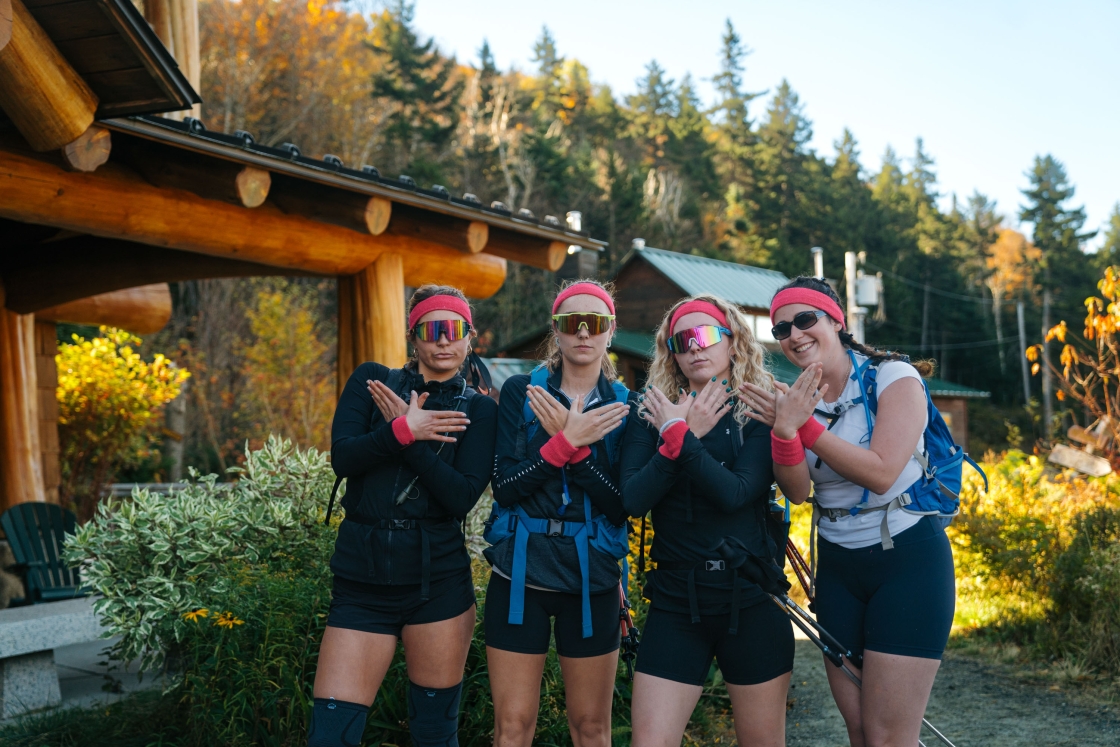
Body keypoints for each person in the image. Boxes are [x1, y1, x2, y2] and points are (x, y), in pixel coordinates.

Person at [739, 276, 950, 747]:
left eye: (805, 319)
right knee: (858, 730)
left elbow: (881, 472)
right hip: (837, 570)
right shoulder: (796, 398)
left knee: (888, 736)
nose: (793, 334)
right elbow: (796, 491)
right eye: (780, 329)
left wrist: (802, 427)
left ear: (836, 320)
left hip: (908, 563)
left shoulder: (894, 377)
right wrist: (784, 430)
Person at [308, 285, 498, 747]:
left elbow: (459, 499)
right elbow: (344, 459)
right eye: (430, 330)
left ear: (469, 337)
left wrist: (413, 442)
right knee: (330, 736)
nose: (442, 341)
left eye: (454, 330)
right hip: (361, 582)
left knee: (434, 735)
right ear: (413, 337)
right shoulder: (373, 382)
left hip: (438, 587)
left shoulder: (480, 410)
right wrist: (399, 429)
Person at [620, 294, 795, 747]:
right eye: (683, 340)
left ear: (732, 342)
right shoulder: (651, 413)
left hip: (752, 599)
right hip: (677, 603)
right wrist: (674, 433)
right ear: (671, 353)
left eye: (706, 335)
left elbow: (736, 493)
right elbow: (633, 499)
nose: (695, 347)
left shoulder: (757, 410)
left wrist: (681, 439)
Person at [485, 280, 632, 747]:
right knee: (512, 727)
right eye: (572, 323)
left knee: (591, 728)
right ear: (556, 330)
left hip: (593, 578)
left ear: (611, 331)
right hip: (519, 574)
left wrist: (579, 455)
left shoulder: (626, 406)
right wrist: (565, 444)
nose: (583, 333)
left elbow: (621, 504)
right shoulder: (521, 393)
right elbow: (505, 489)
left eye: (596, 323)